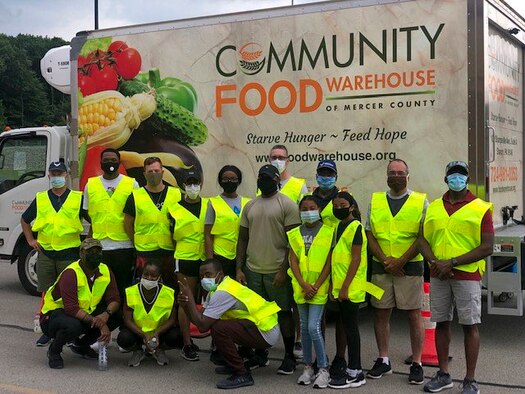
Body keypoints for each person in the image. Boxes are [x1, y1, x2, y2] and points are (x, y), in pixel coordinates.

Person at [419, 161, 494, 394]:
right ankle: (444, 375)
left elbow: (487, 246)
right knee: (441, 324)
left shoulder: (480, 207)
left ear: (467, 178)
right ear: (446, 178)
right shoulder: (433, 206)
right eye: (453, 174)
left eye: (461, 175)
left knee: (469, 326)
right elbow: (421, 239)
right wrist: (435, 263)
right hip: (438, 274)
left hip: (467, 275)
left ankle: (470, 380)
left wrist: (451, 263)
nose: (457, 178)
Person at [365, 159, 427, 385]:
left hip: (409, 268)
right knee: (381, 312)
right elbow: (369, 234)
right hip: (380, 268)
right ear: (386, 176)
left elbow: (422, 237)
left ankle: (418, 363)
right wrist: (385, 260)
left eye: (401, 172)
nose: (396, 176)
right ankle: (383, 359)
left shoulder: (421, 200)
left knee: (413, 314)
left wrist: (400, 261)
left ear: (408, 176)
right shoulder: (376, 200)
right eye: (392, 172)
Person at [236, 164, 301, 375]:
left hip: (277, 271)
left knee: (283, 314)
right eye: (260, 176)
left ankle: (289, 355)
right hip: (253, 270)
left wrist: (284, 270)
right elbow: (242, 239)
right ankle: (260, 354)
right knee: (258, 315)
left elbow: (294, 243)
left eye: (268, 177)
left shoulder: (288, 205)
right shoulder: (250, 206)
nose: (263, 180)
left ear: (276, 180)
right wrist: (240, 268)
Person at [178, 258, 281, 389]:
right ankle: (236, 364)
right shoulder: (218, 288)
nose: (204, 279)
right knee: (217, 324)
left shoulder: (223, 292)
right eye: (201, 276)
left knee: (219, 328)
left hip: (266, 331)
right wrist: (186, 305)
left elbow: (203, 326)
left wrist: (190, 298)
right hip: (259, 327)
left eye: (208, 274)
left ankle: (242, 373)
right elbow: (201, 318)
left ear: (219, 274)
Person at [21, 161, 84, 347]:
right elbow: (25, 220)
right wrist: (30, 240)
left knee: (70, 295)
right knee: (47, 295)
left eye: (60, 173)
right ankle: (47, 331)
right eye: (54, 173)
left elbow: (92, 219)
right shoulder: (41, 198)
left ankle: (71, 332)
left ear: (66, 176)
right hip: (47, 254)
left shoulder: (77, 198)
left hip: (69, 254)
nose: (57, 176)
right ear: (49, 176)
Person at [327, 192, 384, 389]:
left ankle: (356, 371)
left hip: (351, 288)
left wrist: (344, 287)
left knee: (351, 329)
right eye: (335, 205)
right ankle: (351, 368)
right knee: (344, 325)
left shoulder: (356, 227)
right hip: (340, 288)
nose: (338, 208)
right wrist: (332, 286)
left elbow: (356, 259)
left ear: (351, 206)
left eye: (342, 204)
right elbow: (335, 259)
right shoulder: (337, 227)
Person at [39, 238, 120, 369]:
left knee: (117, 316)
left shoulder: (105, 270)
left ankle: (80, 345)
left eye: (98, 251)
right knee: (73, 326)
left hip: (83, 312)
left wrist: (106, 315)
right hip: (53, 315)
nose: (95, 255)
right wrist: (99, 323)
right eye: (90, 251)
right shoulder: (71, 273)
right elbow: (71, 308)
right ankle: (54, 351)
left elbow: (115, 299)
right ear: (81, 253)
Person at [287, 196, 334, 389]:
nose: (308, 211)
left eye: (312, 207)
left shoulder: (328, 232)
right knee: (304, 328)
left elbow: (329, 262)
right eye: (304, 208)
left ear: (319, 209)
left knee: (314, 327)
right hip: (301, 287)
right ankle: (308, 367)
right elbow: (293, 260)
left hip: (318, 288)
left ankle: (323, 368)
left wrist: (315, 285)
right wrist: (303, 284)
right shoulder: (294, 233)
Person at [83, 148, 139, 301]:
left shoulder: (132, 184)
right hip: (99, 248)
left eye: (113, 160)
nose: (110, 163)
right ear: (100, 163)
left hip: (123, 247)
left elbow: (137, 215)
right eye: (106, 160)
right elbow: (89, 213)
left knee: (123, 288)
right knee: (100, 289)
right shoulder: (91, 185)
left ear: (119, 162)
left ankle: (122, 321)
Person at [123, 156, 181, 287]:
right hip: (145, 253)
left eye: (156, 171)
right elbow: (127, 224)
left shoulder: (176, 194)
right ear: (144, 174)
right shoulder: (135, 196)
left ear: (162, 172)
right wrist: (136, 241)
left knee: (170, 289)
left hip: (169, 251)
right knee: (145, 289)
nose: (153, 174)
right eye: (150, 171)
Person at [169, 169, 208, 362]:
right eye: (189, 183)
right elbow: (171, 236)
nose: (193, 186)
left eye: (195, 182)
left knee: (213, 299)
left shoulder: (210, 204)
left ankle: (217, 342)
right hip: (185, 257)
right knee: (186, 299)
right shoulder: (174, 209)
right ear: (183, 186)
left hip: (207, 258)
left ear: (201, 184)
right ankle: (187, 343)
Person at [117, 259, 182, 367]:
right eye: (146, 275)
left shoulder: (169, 293)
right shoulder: (131, 292)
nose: (149, 278)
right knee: (123, 338)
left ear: (159, 277)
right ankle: (138, 350)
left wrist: (157, 333)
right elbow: (127, 320)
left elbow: (172, 319)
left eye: (153, 276)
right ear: (141, 274)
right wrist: (144, 334)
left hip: (160, 333)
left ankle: (159, 350)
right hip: (137, 332)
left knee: (177, 337)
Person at [205, 165, 250, 278]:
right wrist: (211, 262)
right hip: (220, 256)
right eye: (225, 179)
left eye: (233, 179)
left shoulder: (248, 202)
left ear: (239, 181)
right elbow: (207, 235)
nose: (229, 181)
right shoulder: (213, 203)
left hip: (243, 256)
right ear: (220, 181)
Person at [311, 160, 340, 227]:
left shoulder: (345, 199)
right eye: (322, 174)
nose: (326, 177)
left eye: (330, 175)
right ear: (316, 176)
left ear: (336, 178)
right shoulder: (307, 198)